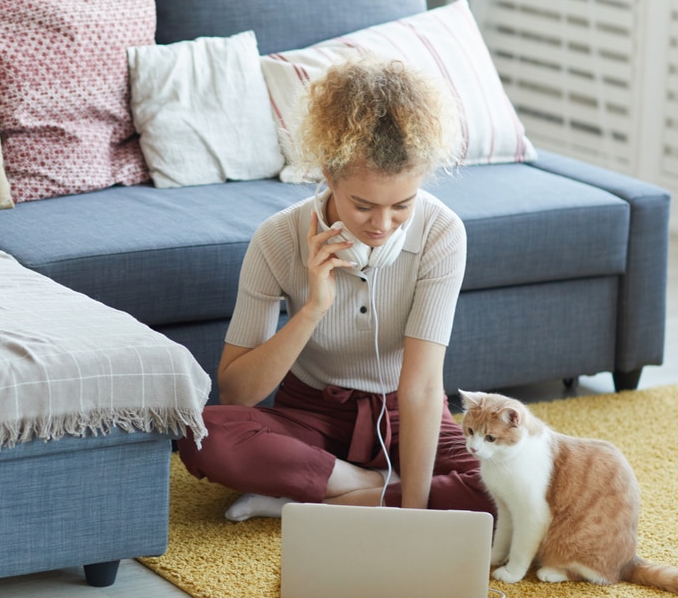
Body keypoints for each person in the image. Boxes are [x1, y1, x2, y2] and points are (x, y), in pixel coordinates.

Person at [177, 54, 494, 521]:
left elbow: (424, 388)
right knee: (204, 435)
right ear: (329, 173)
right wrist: (312, 307)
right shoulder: (277, 238)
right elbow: (238, 394)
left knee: (507, 493)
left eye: (401, 206)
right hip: (310, 414)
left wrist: (414, 515)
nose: (382, 226)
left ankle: (312, 495)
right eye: (363, 206)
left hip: (405, 414)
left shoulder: (442, 233)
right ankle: (373, 484)